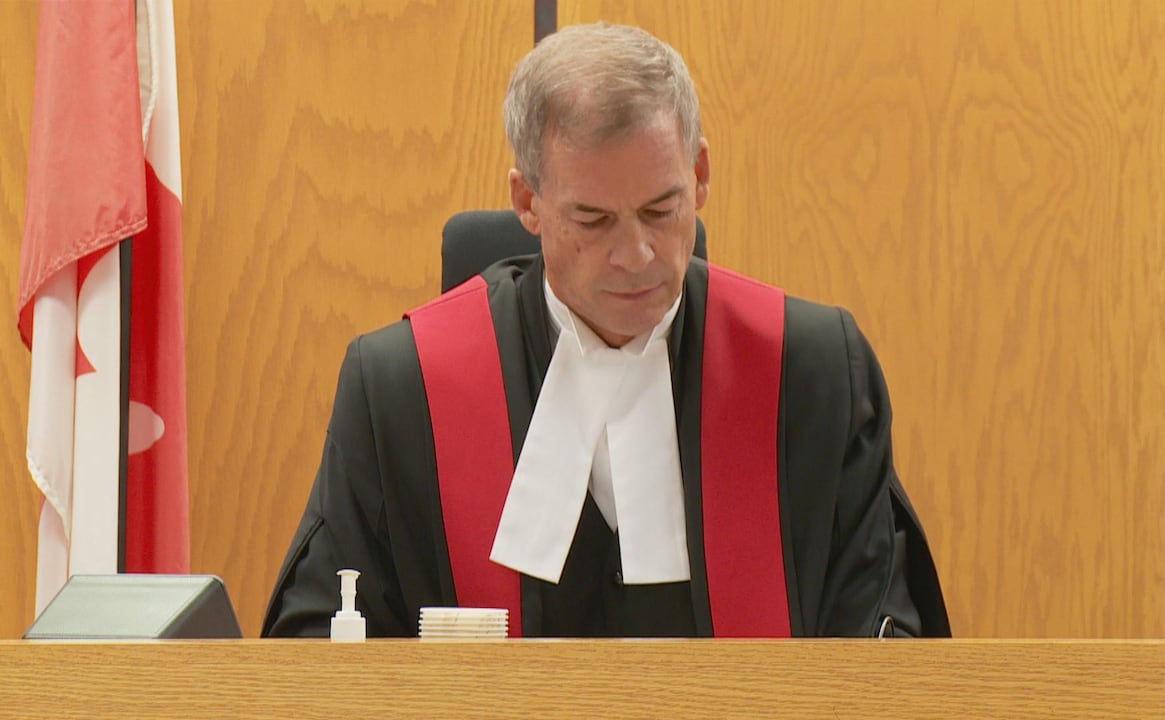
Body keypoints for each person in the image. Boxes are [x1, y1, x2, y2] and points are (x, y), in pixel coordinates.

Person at [263, 22, 949, 638]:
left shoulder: (815, 372)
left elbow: (883, 654)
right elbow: (320, 650)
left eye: (661, 209)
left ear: (700, 175)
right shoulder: (401, 388)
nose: (636, 255)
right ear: (528, 201)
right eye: (593, 220)